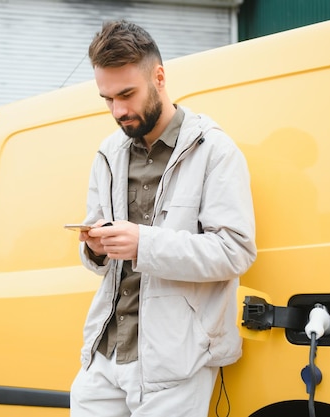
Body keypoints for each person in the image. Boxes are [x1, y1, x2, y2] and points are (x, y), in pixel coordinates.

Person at [70, 20, 257, 417]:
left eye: (127, 94)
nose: (118, 110)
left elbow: (236, 251)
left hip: (174, 362)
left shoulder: (215, 151)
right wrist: (96, 248)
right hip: (103, 356)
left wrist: (143, 243)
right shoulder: (108, 153)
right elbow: (98, 259)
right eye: (107, 99)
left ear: (159, 77)